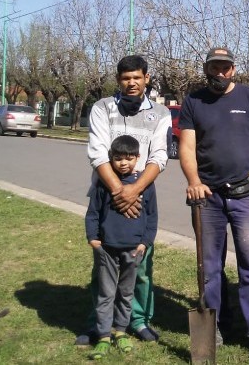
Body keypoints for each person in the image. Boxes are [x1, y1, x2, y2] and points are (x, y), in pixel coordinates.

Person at [179, 46, 249, 365]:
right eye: (214, 67)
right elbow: (186, 145)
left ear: (233, 69)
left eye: (225, 67)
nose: (220, 73)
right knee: (209, 270)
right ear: (206, 69)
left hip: (247, 194)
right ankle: (215, 329)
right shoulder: (193, 101)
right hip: (207, 198)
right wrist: (194, 181)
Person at [78, 55, 171, 345]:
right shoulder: (102, 108)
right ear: (118, 80)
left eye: (137, 77)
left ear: (146, 78)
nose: (132, 83)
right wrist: (120, 191)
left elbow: (159, 156)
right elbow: (97, 152)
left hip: (142, 198)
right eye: (125, 78)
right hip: (107, 196)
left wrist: (134, 191)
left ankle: (138, 321)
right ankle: (99, 324)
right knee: (104, 269)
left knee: (140, 268)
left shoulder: (160, 113)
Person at [84, 135, 158, 360]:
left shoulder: (146, 185)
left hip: (134, 250)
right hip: (107, 248)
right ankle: (104, 334)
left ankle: (121, 331)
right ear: (111, 158)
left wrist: (145, 242)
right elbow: (93, 212)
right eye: (117, 158)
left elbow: (152, 216)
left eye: (128, 158)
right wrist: (93, 238)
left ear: (138, 158)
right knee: (106, 293)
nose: (123, 163)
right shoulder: (103, 183)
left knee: (126, 293)